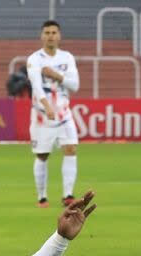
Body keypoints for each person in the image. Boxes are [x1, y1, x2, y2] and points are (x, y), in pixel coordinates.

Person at [27, 20, 80, 208]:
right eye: (47, 32)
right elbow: (36, 86)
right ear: (42, 36)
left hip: (64, 113)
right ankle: (42, 196)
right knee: (42, 155)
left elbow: (75, 85)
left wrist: (56, 75)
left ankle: (68, 195)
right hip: (42, 115)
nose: (50, 36)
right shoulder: (34, 59)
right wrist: (46, 106)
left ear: (59, 35)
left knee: (71, 148)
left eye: (54, 32)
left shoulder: (67, 58)